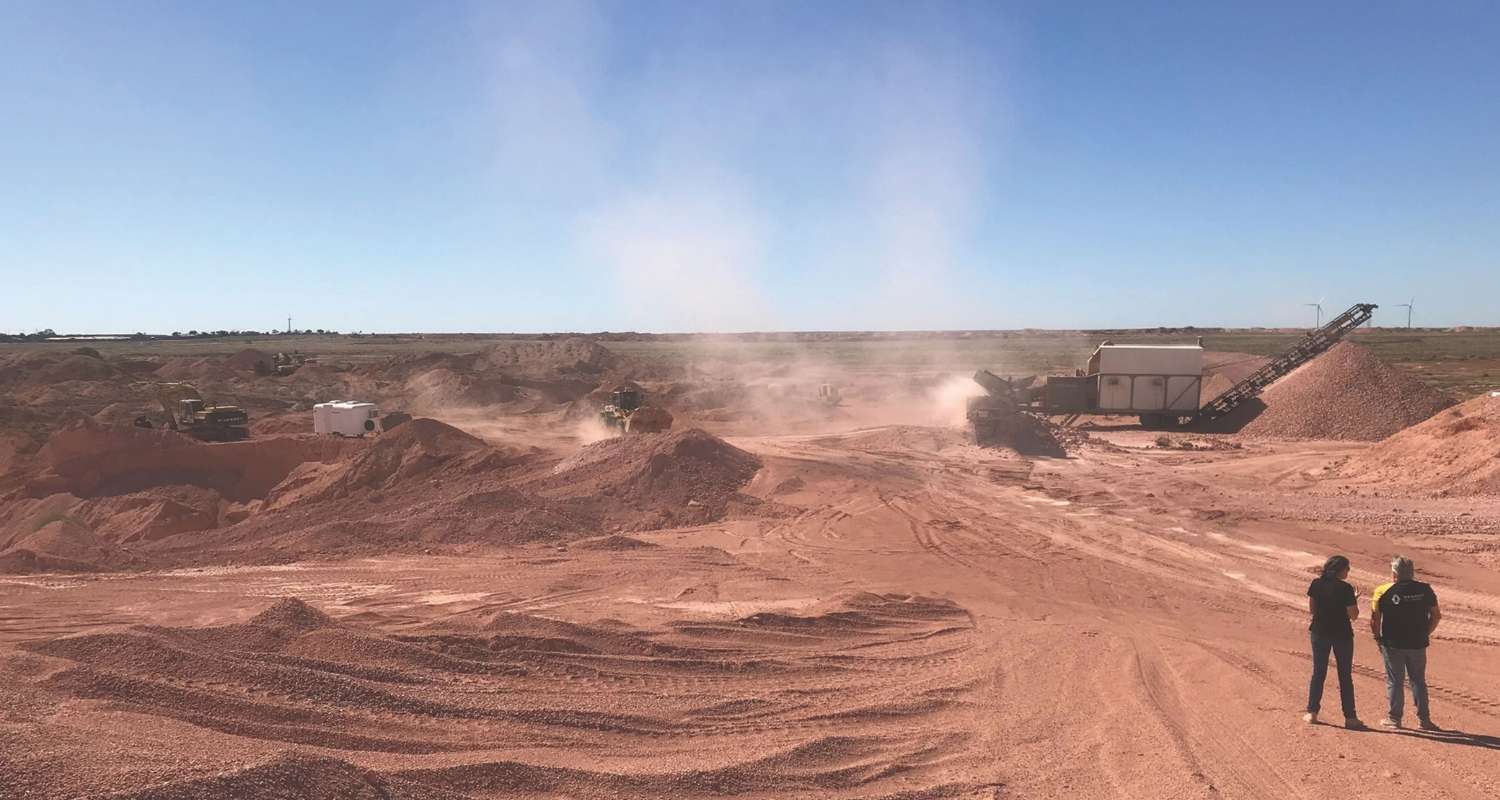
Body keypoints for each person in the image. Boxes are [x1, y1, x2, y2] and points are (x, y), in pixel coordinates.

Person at [1371, 555, 1442, 730]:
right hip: (1418, 643)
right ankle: (1424, 720)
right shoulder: (1425, 589)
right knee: (1418, 680)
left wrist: (1377, 638)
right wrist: (1425, 633)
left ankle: (1395, 719)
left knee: (1395, 680)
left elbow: (1375, 619)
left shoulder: (1382, 590)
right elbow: (1436, 615)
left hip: (1393, 643)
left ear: (1394, 572)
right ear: (1412, 572)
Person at [1304, 555, 1362, 728]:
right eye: (1347, 568)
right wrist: (1354, 600)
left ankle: (1312, 712)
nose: (1348, 571)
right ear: (1340, 570)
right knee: (1345, 676)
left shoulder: (1316, 584)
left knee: (1318, 673)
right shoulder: (1346, 589)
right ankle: (1350, 717)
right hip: (1342, 635)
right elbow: (1354, 615)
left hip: (1319, 632)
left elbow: (1312, 609)